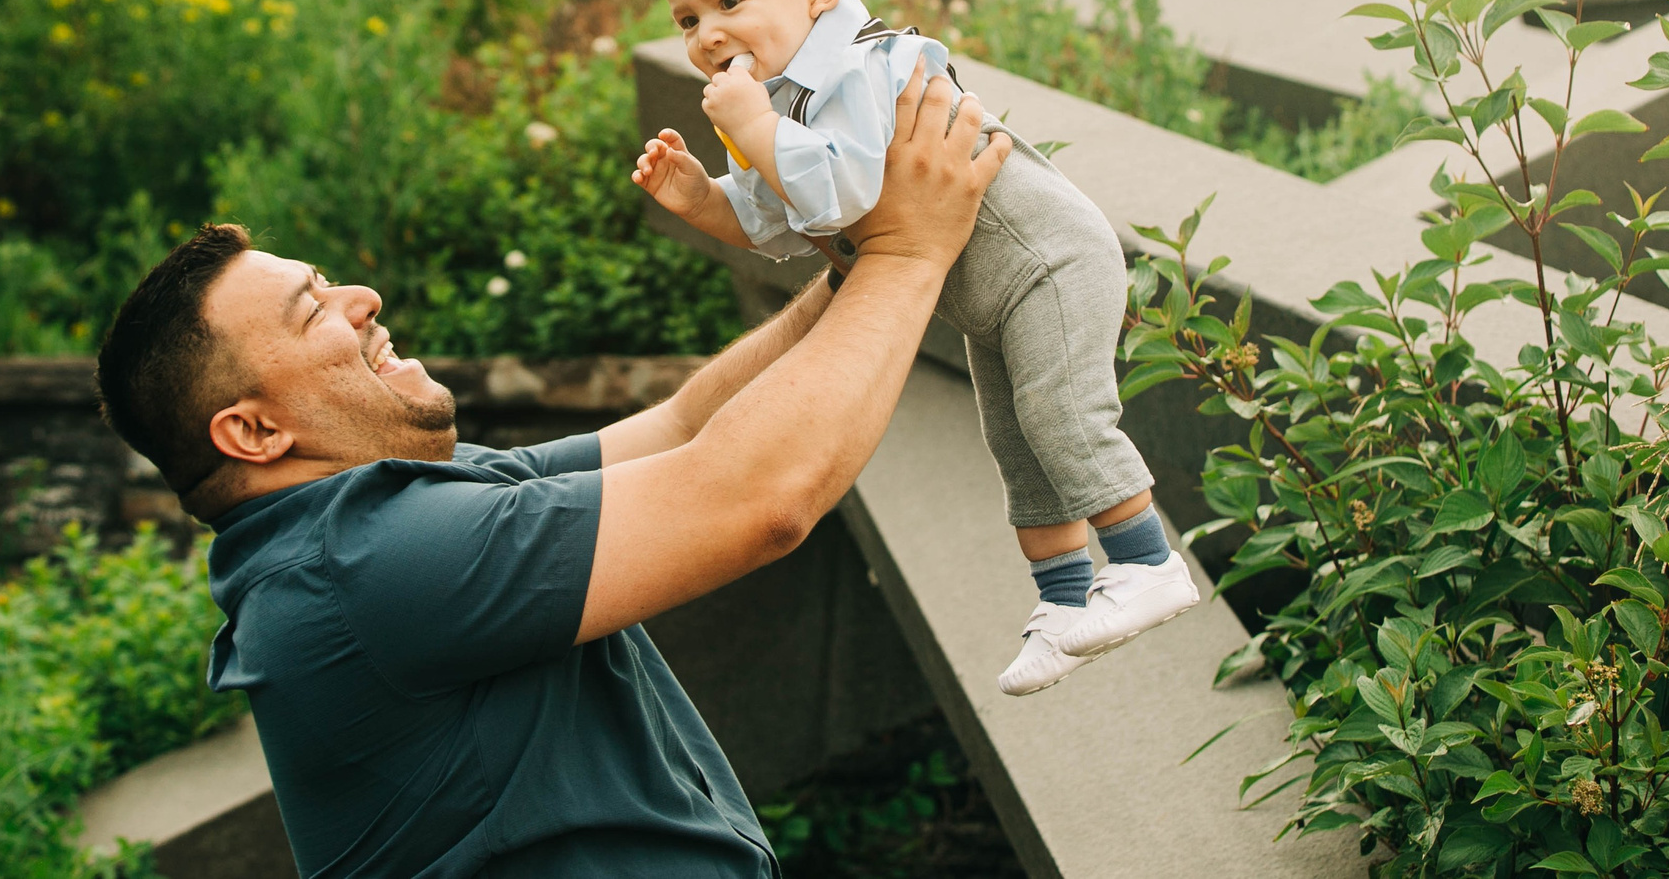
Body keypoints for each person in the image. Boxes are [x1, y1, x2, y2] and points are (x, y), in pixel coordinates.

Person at [93, 61, 1007, 879]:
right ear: (252, 432)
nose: (362, 298)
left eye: (329, 279)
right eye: (311, 311)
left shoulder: (393, 507)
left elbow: (686, 425)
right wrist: (909, 250)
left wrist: (852, 264)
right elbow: (757, 497)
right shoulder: (366, 564)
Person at [623, 0, 1200, 697]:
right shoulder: (787, 104)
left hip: (1049, 264)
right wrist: (705, 198)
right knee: (1015, 442)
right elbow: (787, 222)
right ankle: (1064, 598)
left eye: (730, 3)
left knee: (1058, 411)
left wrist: (751, 122)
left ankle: (1149, 563)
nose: (706, 33)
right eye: (686, 17)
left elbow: (848, 188)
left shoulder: (865, 66)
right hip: (994, 301)